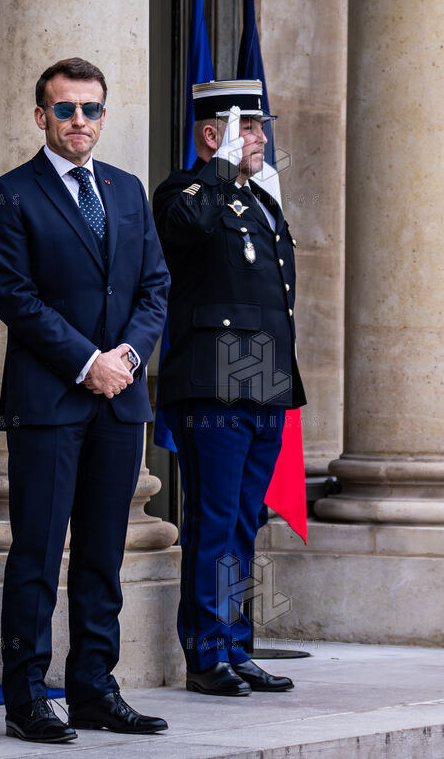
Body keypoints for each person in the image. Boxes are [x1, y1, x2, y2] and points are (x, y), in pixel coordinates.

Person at [0, 57, 170, 742]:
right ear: (42, 116)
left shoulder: (126, 190)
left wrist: (125, 360)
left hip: (120, 399)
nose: (79, 121)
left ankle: (93, 687)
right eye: (65, 109)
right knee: (37, 552)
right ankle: (27, 697)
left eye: (91, 109)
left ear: (104, 115)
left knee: (102, 553)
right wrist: (89, 363)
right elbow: (17, 299)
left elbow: (154, 287)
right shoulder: (9, 195)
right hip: (49, 402)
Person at [153, 79, 306, 697]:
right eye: (248, 127)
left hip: (263, 379)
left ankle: (237, 644)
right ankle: (206, 651)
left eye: (261, 127)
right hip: (213, 382)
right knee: (214, 520)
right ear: (212, 135)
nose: (260, 138)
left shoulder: (260, 201)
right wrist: (218, 168)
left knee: (245, 521)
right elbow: (185, 225)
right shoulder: (183, 192)